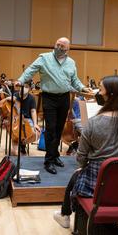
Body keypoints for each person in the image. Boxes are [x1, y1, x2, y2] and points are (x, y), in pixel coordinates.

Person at [53, 75, 118, 229]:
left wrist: (84, 164)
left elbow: (81, 157)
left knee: (77, 173)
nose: (97, 93)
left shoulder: (94, 123)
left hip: (98, 185)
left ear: (111, 95)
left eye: (100, 89)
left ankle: (65, 215)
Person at [16, 37, 91, 174]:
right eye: (58, 45)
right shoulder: (44, 58)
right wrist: (21, 80)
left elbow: (74, 80)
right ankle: (49, 160)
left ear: (68, 49)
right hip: (49, 97)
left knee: (59, 129)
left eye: (63, 46)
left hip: (64, 98)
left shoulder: (71, 62)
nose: (59, 48)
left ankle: (55, 155)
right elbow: (30, 70)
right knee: (50, 129)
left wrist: (83, 88)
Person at [0, 82, 41, 155]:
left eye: (24, 96)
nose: (21, 97)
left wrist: (35, 124)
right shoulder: (14, 95)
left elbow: (33, 111)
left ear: (29, 91)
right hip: (14, 120)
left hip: (27, 120)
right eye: (21, 95)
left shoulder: (31, 98)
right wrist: (7, 98)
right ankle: (18, 141)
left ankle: (22, 143)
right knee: (15, 153)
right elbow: (0, 105)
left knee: (37, 134)